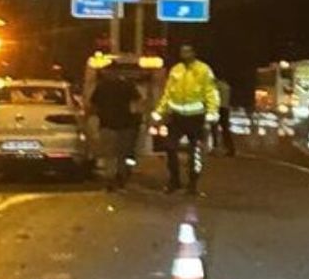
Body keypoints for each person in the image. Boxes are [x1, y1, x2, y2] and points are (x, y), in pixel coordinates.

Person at [154, 44, 220, 195]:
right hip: (176, 116)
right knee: (170, 147)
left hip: (196, 117)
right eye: (182, 51)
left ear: (194, 53)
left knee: (195, 151)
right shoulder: (176, 70)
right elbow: (168, 93)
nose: (185, 54)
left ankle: (192, 183)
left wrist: (212, 112)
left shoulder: (203, 70)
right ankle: (174, 180)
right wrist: (160, 111)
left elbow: (211, 92)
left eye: (188, 51)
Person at [89, 70, 142, 190]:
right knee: (123, 153)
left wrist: (91, 118)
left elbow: (93, 105)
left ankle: (110, 178)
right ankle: (121, 177)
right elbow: (137, 104)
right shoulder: (128, 85)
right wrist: (138, 119)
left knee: (109, 155)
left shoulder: (101, 86)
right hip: (126, 125)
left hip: (107, 125)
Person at [212, 78, 237, 156]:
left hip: (218, 108)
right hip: (226, 108)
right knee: (225, 129)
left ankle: (215, 147)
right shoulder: (227, 86)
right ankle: (230, 148)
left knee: (214, 128)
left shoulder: (217, 86)